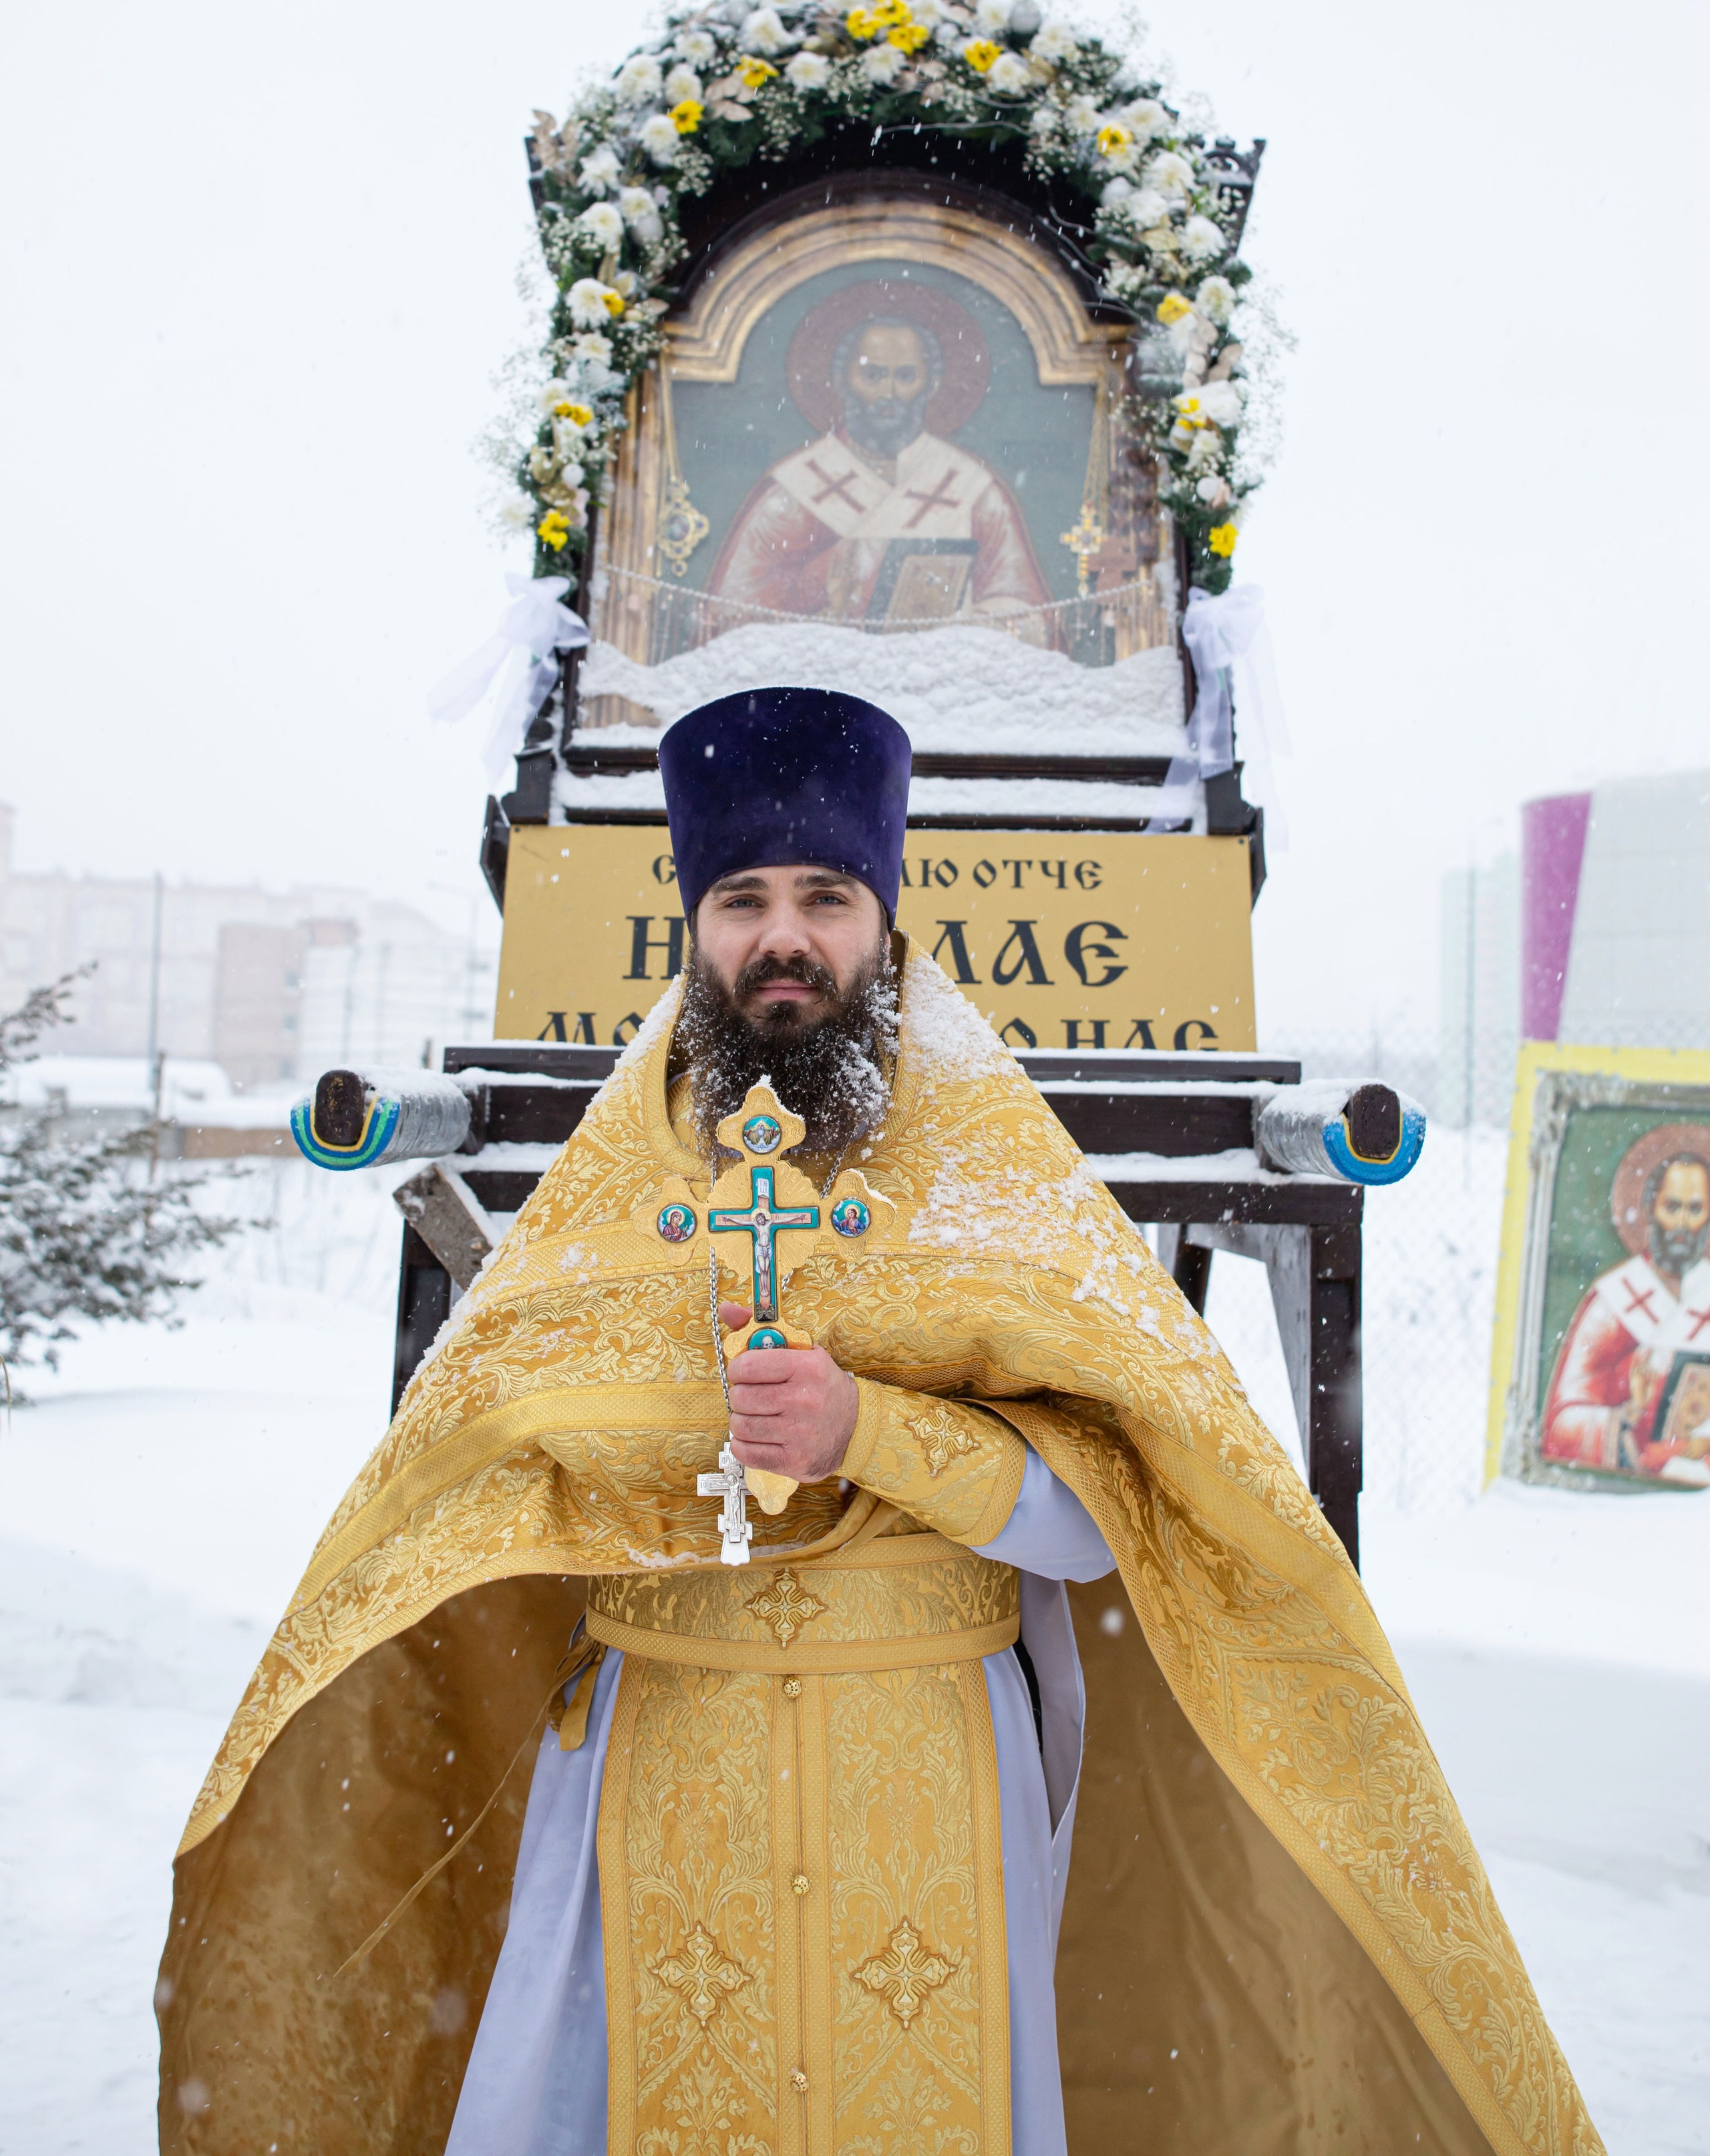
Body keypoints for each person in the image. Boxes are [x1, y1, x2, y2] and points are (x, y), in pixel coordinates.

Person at [157, 689, 1596, 2156]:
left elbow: (1111, 1519)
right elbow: (473, 1474)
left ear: (882, 918)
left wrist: (871, 1433)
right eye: (742, 900)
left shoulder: (992, 1167)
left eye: (824, 896)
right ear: (694, 926)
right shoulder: (612, 1180)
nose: (782, 937)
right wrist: (633, 1446)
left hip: (926, 1761)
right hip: (665, 1752)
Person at [705, 317, 1056, 638]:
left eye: (905, 377)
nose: (888, 394)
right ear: (843, 382)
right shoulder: (796, 491)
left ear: (931, 385)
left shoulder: (971, 490)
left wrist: (960, 632)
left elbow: (1023, 609)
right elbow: (732, 617)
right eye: (872, 376)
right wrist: (825, 577)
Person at [1541, 1150, 1710, 1483]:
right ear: (1650, 1210)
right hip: (1627, 1486)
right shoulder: (1613, 1300)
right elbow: (1562, 1424)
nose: (1681, 1224)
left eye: (1695, 1210)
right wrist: (1627, 1412)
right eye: (1672, 1207)